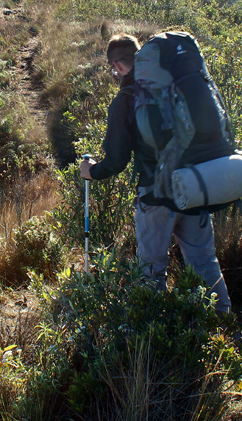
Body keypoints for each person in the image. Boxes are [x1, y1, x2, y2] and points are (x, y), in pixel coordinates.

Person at [80, 33, 232, 314]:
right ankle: (223, 324)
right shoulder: (177, 86)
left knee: (151, 269)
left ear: (118, 66)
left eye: (113, 69)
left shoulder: (125, 100)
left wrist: (91, 172)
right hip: (195, 186)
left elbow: (116, 161)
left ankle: (154, 333)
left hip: (156, 196)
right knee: (204, 262)